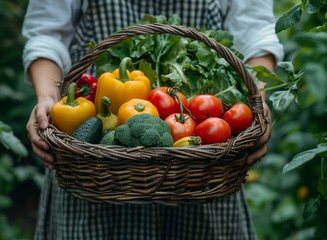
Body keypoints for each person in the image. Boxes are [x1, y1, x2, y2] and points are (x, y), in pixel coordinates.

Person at [22, 1, 283, 239]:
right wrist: (48, 98)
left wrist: (255, 105)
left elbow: (257, 36)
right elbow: (47, 34)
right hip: (94, 169)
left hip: (204, 173)